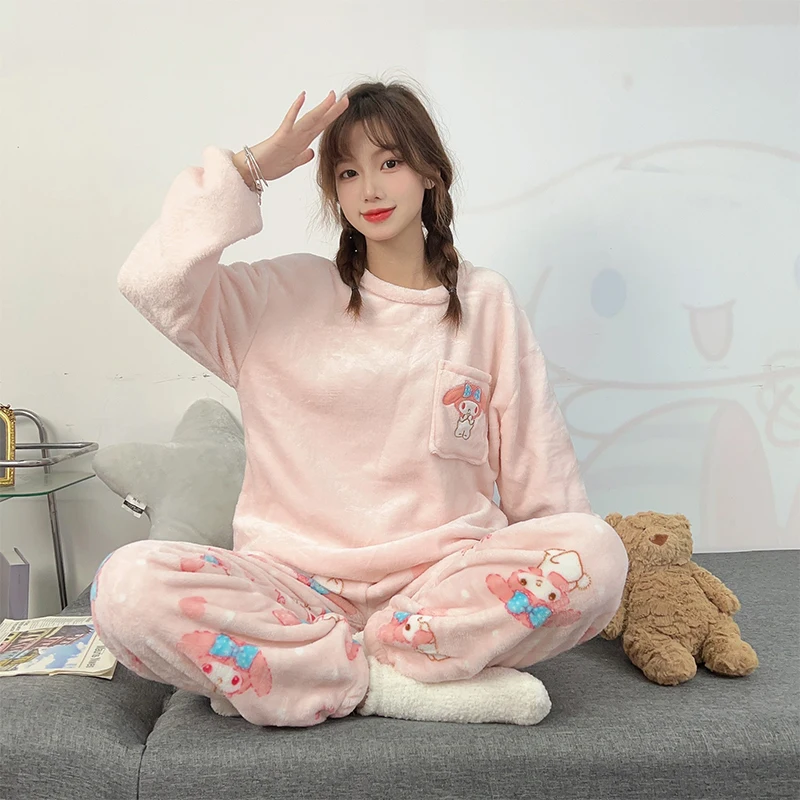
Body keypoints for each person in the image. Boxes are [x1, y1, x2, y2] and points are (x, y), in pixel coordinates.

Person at [90, 78, 628, 728]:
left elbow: (541, 480)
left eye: (390, 162)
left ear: (429, 171)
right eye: (348, 172)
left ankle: (309, 674)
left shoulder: (485, 302)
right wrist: (249, 169)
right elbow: (152, 282)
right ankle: (388, 684)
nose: (369, 189)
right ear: (334, 192)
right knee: (125, 587)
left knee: (597, 551)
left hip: (441, 590)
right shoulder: (279, 297)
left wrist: (572, 576)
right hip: (291, 590)